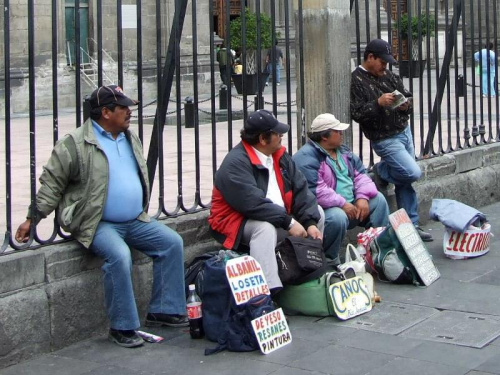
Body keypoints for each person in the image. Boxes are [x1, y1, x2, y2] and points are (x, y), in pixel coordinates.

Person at [15, 85, 188, 348]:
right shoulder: (74, 143)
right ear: (105, 112)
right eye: (123, 108)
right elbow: (52, 183)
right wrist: (33, 218)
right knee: (119, 256)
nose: (129, 112)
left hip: (134, 220)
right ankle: (123, 326)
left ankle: (163, 309)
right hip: (97, 222)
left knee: (171, 242)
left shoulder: (130, 138)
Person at [208, 109, 324, 293]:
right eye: (277, 134)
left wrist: (309, 222)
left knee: (319, 213)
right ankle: (268, 291)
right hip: (237, 221)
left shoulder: (280, 155)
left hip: (277, 214)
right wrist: (289, 222)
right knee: (264, 229)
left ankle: (304, 269)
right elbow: (252, 204)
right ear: (263, 139)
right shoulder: (235, 163)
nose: (281, 136)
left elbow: (301, 188)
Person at [350, 38, 433, 242]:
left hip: (404, 131)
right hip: (384, 137)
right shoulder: (357, 80)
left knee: (405, 181)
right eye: (382, 62)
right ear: (370, 57)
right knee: (411, 172)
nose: (385, 67)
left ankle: (410, 226)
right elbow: (357, 113)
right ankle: (382, 171)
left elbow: (407, 96)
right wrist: (378, 103)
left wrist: (406, 105)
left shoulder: (389, 75)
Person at [294, 113, 390, 264]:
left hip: (352, 204)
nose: (341, 134)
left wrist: (362, 197)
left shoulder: (343, 151)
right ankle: (330, 261)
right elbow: (316, 191)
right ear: (325, 137)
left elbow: (361, 176)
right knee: (336, 217)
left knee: (379, 201)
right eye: (337, 131)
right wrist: (343, 203)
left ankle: (378, 250)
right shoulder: (305, 158)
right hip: (326, 209)